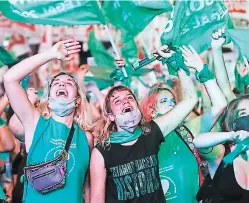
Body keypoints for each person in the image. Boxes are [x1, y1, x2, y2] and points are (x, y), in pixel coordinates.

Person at [89, 46, 199, 203]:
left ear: (137, 105)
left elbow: (190, 101)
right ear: (111, 116)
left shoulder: (151, 133)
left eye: (129, 98)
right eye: (117, 101)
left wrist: (177, 65)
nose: (125, 101)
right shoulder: (101, 151)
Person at [3, 39, 94, 203]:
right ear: (49, 98)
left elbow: (86, 186)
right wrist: (51, 54)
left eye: (69, 83)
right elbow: (9, 78)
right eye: (56, 83)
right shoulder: (35, 124)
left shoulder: (86, 138)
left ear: (78, 100)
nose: (62, 84)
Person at [139, 45, 227, 202]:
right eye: (164, 101)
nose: (172, 104)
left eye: (173, 101)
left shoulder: (188, 131)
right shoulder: (143, 138)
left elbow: (220, 104)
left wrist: (199, 69)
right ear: (151, 111)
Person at [194, 94, 249, 202]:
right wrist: (232, 135)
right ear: (233, 122)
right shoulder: (222, 153)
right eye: (243, 113)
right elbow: (197, 141)